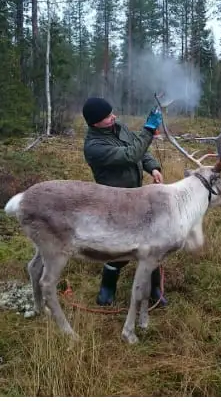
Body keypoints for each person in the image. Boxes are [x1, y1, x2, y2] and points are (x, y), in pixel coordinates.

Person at [81, 97, 167, 307]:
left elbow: (140, 151)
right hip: (115, 201)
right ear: (95, 123)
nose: (114, 117)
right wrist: (148, 129)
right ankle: (107, 290)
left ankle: (155, 289)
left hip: (138, 196)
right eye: (108, 116)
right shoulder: (94, 147)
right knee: (120, 247)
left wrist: (153, 167)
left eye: (112, 113)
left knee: (151, 243)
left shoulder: (118, 128)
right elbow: (130, 155)